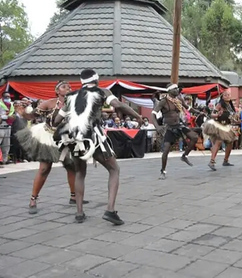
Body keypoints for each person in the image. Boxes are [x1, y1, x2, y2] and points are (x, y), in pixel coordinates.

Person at [53, 69, 142, 225]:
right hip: (93, 137)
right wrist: (138, 116)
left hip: (74, 138)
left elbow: (56, 121)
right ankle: (110, 210)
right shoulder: (103, 91)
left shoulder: (71, 96)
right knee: (114, 169)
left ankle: (79, 213)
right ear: (96, 80)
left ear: (82, 82)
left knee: (80, 172)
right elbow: (118, 104)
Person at [15, 81, 85, 214]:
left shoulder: (75, 104)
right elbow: (32, 116)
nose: (68, 88)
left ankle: (74, 196)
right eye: (64, 87)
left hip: (67, 138)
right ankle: (33, 199)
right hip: (49, 138)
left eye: (69, 87)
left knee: (71, 166)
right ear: (57, 91)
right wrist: (23, 113)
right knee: (44, 168)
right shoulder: (49, 103)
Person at [150, 83, 199, 179]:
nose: (177, 90)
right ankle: (163, 171)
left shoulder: (179, 99)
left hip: (179, 125)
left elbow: (187, 108)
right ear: (169, 91)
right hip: (169, 127)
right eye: (175, 89)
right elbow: (153, 114)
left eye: (177, 89)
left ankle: (184, 155)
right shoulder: (163, 101)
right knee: (166, 150)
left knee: (194, 137)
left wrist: (198, 112)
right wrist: (157, 127)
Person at [203, 90, 238, 171]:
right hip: (218, 125)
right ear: (222, 96)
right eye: (225, 95)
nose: (228, 96)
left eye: (229, 95)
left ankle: (226, 160)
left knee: (230, 143)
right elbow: (212, 114)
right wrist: (217, 115)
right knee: (218, 142)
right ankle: (212, 161)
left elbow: (232, 117)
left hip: (227, 126)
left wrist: (236, 121)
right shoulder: (219, 105)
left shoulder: (230, 105)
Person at [0, 91, 15, 165]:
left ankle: (4, 160)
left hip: (8, 126)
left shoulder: (10, 105)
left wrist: (11, 117)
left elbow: (12, 114)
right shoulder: (0, 104)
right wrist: (6, 116)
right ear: (2, 97)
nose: (8, 98)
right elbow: (1, 116)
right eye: (6, 97)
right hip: (1, 126)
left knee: (6, 144)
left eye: (9, 97)